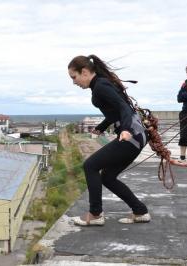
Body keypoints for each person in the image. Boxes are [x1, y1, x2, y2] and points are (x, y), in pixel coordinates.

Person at [68, 55, 150, 225]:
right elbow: (114, 113)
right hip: (138, 136)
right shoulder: (99, 84)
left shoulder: (100, 86)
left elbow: (123, 108)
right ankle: (140, 211)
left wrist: (126, 129)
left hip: (131, 136)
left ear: (84, 72)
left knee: (90, 165)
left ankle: (95, 214)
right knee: (108, 177)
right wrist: (101, 127)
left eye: (74, 77)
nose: (74, 82)